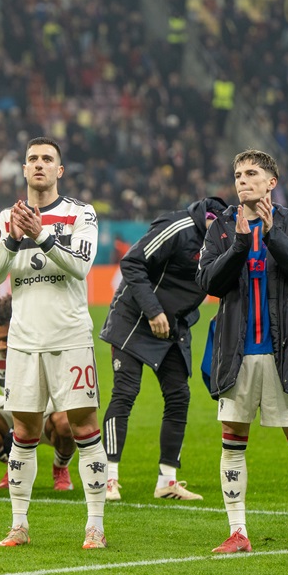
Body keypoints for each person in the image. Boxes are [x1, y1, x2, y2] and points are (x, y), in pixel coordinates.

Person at [196, 149, 288, 554]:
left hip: (283, 353)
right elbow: (208, 283)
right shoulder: (220, 227)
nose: (242, 180)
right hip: (235, 352)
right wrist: (238, 243)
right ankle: (238, 532)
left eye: (251, 173)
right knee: (232, 441)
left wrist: (272, 234)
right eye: (237, 174)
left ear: (272, 181)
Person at [0, 136, 107, 550]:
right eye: (32, 159)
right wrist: (15, 238)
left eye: (47, 159)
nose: (39, 164)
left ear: (59, 170)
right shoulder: (6, 218)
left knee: (85, 427)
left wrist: (42, 236)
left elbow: (81, 266)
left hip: (70, 337)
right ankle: (19, 524)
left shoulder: (79, 214)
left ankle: (95, 526)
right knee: (24, 430)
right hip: (23, 340)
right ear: (23, 170)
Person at [99, 196, 226, 502]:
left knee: (179, 396)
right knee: (125, 392)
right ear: (208, 220)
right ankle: (106, 477)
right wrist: (154, 310)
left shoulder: (226, 240)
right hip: (136, 317)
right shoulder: (178, 226)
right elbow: (132, 262)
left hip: (174, 324)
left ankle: (167, 481)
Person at [0, 296, 76, 490]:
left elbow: (64, 393)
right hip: (15, 410)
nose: (1, 346)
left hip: (45, 413)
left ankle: (60, 469)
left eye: (6, 338)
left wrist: (29, 409)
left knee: (66, 422)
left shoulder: (40, 343)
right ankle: (14, 466)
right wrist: (11, 403)